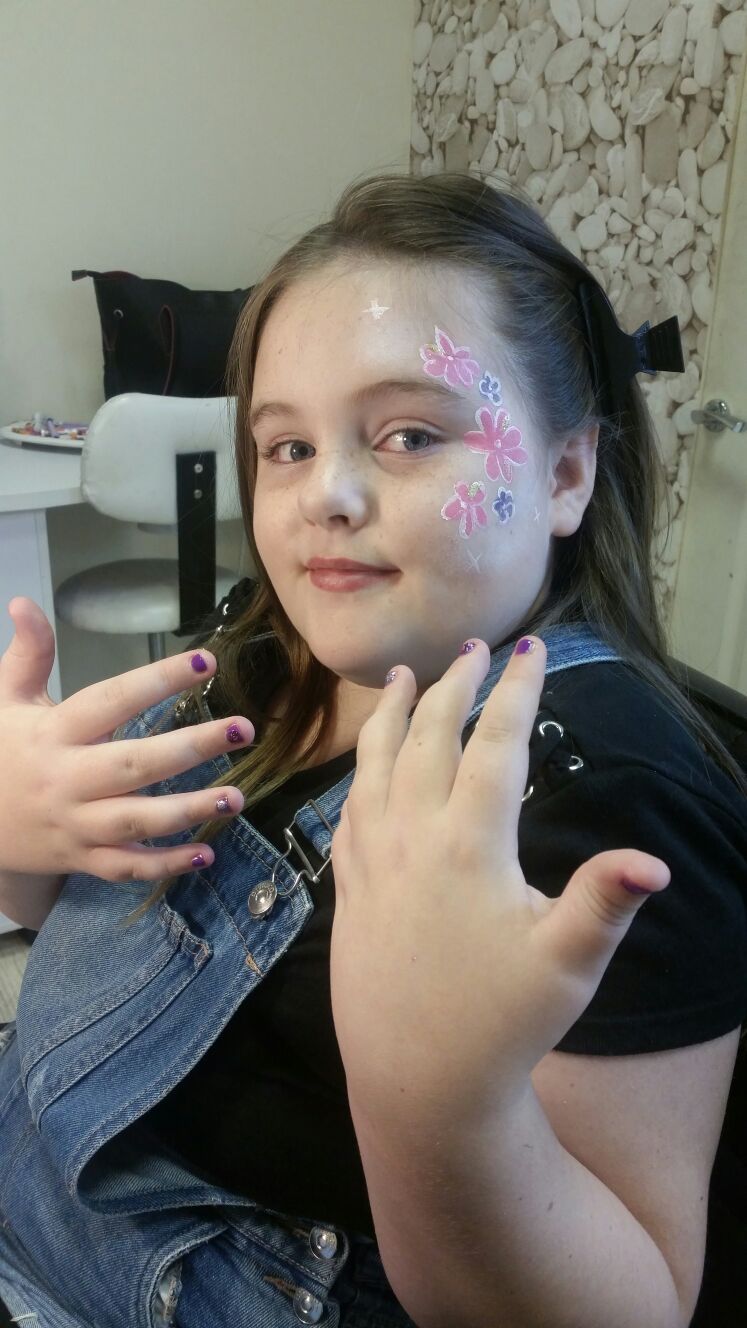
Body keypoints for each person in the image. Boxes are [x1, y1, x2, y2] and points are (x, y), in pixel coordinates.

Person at [0, 171, 745, 1328]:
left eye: (408, 434)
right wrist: (21, 835)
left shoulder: (599, 798)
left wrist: (439, 1103)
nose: (326, 495)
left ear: (565, 472)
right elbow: (85, 926)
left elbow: (630, 1306)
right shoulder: (265, 651)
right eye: (286, 446)